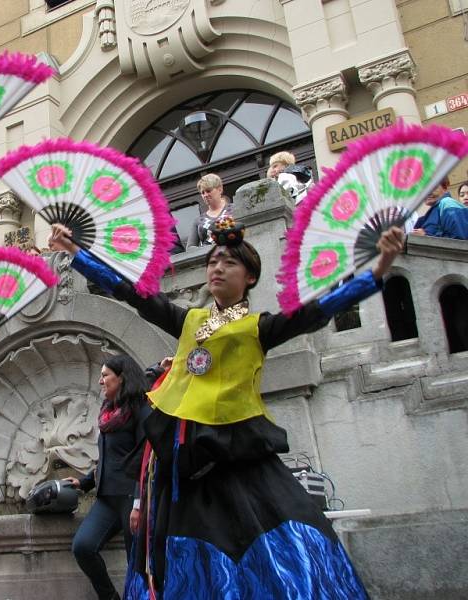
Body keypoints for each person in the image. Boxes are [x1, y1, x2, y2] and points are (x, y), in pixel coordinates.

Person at [49, 217, 405, 599]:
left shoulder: (259, 327)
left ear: (250, 277)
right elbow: (133, 293)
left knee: (273, 549)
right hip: (183, 464)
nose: (217, 268)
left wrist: (380, 266)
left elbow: (315, 311)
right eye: (213, 261)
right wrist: (75, 253)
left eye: (229, 263)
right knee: (181, 559)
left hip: (238, 460)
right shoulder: (189, 319)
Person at [65, 355, 151, 600]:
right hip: (107, 499)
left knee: (138, 565)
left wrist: (138, 503)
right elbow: (109, 459)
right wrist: (83, 482)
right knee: (83, 547)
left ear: (121, 377)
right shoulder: (109, 413)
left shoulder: (141, 409)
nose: (100, 381)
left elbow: (146, 459)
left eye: (105, 375)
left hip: (131, 498)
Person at [186, 174, 232, 248]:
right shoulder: (199, 220)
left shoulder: (234, 209)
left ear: (220, 189)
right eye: (203, 192)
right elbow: (190, 248)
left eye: (208, 191)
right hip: (209, 257)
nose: (205, 195)